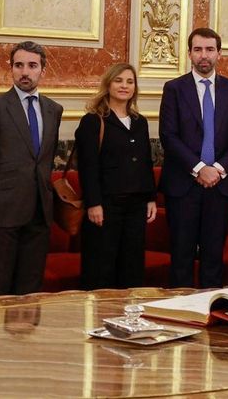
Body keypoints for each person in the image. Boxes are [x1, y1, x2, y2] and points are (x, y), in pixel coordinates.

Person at [0, 41, 64, 297]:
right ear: (11, 68)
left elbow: (45, 159)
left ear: (42, 70)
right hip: (2, 212)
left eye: (32, 66)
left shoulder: (53, 110)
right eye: (19, 65)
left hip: (39, 212)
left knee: (30, 291)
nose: (25, 72)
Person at [159, 27, 228, 288]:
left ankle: (210, 307)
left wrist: (217, 168)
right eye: (198, 49)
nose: (204, 55)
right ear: (189, 54)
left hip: (220, 186)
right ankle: (181, 309)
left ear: (219, 53)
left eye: (210, 49)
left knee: (213, 256)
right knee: (181, 257)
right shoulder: (174, 89)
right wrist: (199, 168)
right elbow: (168, 135)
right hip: (183, 185)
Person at [76, 63, 156, 290]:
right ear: (108, 85)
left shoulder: (140, 122)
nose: (124, 86)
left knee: (132, 268)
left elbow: (146, 162)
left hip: (136, 206)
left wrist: (150, 197)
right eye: (118, 80)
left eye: (130, 82)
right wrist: (93, 203)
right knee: (102, 269)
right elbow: (88, 167)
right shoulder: (93, 121)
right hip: (105, 206)